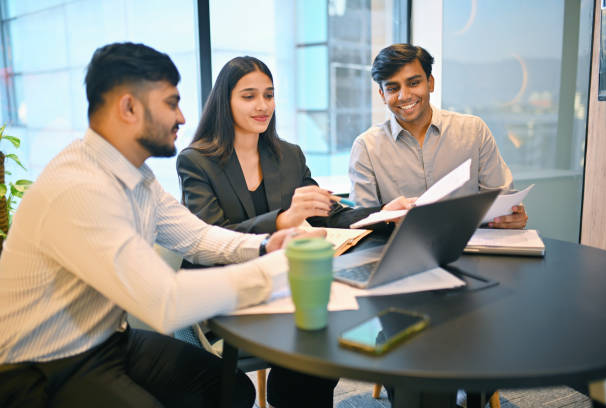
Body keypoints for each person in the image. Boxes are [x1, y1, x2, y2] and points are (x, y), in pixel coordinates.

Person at [0, 42, 317, 408]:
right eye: (171, 103)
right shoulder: (80, 188)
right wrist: (276, 270)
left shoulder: (137, 176)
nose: (182, 117)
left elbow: (196, 236)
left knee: (230, 390)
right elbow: (164, 301)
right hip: (38, 366)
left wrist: (266, 247)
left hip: (107, 339)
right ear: (129, 107)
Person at [176, 56, 413, 408]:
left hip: (286, 282)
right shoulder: (196, 161)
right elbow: (212, 235)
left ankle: (294, 393)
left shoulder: (288, 155)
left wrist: (380, 213)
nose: (262, 106)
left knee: (334, 326)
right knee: (316, 328)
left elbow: (327, 213)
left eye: (269, 95)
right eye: (249, 96)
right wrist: (282, 220)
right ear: (225, 101)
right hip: (227, 286)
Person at [349, 43, 528, 229]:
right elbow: (363, 222)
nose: (404, 96)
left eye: (413, 83)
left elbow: (502, 200)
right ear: (382, 95)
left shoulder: (474, 131)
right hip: (400, 249)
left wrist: (511, 216)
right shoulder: (366, 147)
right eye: (393, 88)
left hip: (471, 247)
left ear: (430, 83)